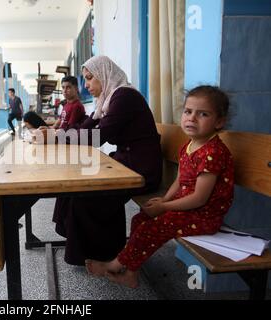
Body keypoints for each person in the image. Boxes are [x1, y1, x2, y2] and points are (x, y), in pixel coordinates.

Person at [85, 85, 234, 288]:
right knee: (141, 218)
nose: (192, 118)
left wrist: (165, 207)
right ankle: (131, 271)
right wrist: (165, 199)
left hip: (204, 215)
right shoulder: (189, 146)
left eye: (203, 114)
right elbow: (180, 180)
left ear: (219, 122)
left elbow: (200, 198)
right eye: (188, 111)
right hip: (188, 208)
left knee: (154, 225)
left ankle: (115, 264)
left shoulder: (213, 152)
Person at [52, 55, 163, 266]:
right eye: (84, 79)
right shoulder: (108, 99)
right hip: (126, 163)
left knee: (84, 190)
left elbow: (97, 137)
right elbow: (87, 128)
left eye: (90, 78)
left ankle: (105, 253)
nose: (86, 85)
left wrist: (56, 136)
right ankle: (89, 247)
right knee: (72, 184)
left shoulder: (124, 97)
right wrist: (58, 134)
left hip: (141, 170)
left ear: (105, 74)